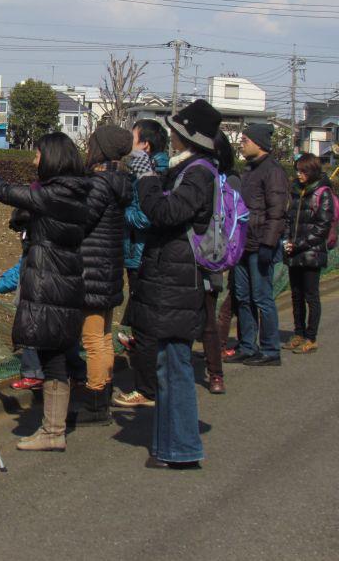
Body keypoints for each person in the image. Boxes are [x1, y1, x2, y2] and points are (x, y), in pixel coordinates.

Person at [0, 132, 89, 452]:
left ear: (52, 158)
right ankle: (56, 426)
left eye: (37, 154)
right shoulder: (75, 192)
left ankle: (53, 430)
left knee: (53, 357)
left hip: (51, 282)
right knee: (57, 355)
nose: (34, 160)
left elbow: (5, 192)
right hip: (66, 279)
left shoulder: (55, 194)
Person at [124, 99, 220, 469]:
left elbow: (164, 213)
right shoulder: (190, 169)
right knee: (168, 364)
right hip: (174, 278)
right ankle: (169, 447)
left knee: (176, 366)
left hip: (178, 280)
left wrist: (147, 175)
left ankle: (181, 449)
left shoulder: (198, 172)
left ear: (185, 135)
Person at [76, 126, 132, 424]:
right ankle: (104, 394)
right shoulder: (119, 180)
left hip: (92, 269)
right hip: (108, 267)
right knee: (105, 335)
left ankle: (96, 403)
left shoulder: (98, 183)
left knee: (93, 339)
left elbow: (81, 220)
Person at [115, 119, 169, 408]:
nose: (128, 143)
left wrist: (120, 211)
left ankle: (146, 389)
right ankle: (148, 381)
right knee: (140, 324)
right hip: (137, 253)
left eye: (133, 138)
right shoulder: (146, 171)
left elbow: (147, 216)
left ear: (145, 144)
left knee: (144, 326)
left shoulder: (155, 173)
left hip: (143, 254)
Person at [226, 123, 288, 366]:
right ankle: (247, 345)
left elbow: (277, 211)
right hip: (243, 243)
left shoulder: (272, 171)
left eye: (245, 140)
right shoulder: (250, 169)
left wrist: (268, 244)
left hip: (261, 243)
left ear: (259, 143)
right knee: (242, 296)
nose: (242, 143)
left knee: (262, 297)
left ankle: (271, 350)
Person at [197, 131, 238, 395]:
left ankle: (215, 372)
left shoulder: (205, 178)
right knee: (208, 318)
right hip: (213, 255)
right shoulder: (229, 180)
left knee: (207, 319)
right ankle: (216, 376)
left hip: (204, 254)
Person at [283, 153, 335, 354]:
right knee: (296, 295)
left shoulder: (323, 193)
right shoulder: (296, 190)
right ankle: (298, 332)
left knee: (311, 296)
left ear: (312, 171)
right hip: (295, 250)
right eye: (298, 170)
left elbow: (322, 227)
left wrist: (299, 244)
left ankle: (311, 337)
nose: (299, 174)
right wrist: (288, 241)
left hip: (312, 252)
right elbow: (289, 219)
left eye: (303, 170)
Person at [0, 209, 44, 391]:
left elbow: (22, 269)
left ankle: (33, 374)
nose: (19, 235)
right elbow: (21, 264)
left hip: (33, 298)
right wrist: (0, 280)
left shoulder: (35, 246)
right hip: (43, 298)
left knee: (29, 333)